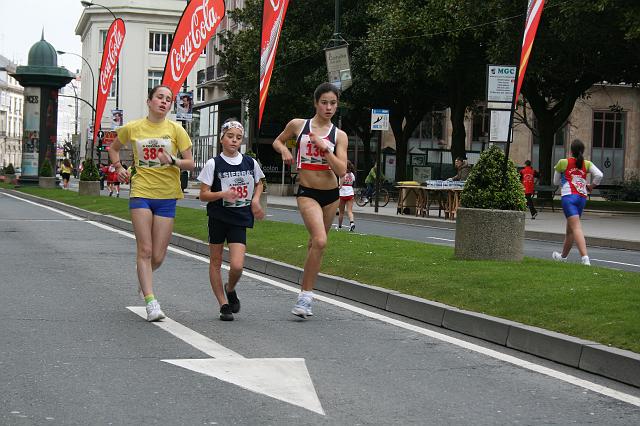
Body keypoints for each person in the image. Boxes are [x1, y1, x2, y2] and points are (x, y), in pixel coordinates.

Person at [108, 84, 195, 321]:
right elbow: (113, 148)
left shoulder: (177, 130)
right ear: (149, 101)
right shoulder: (133, 128)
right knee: (144, 249)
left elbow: (191, 163)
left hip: (167, 196)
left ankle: (143, 277)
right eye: (160, 97)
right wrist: (119, 168)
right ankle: (151, 301)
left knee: (158, 255)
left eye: (168, 99)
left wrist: (173, 160)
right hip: (141, 192)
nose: (164, 102)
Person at [272, 82, 348, 318]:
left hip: (331, 194)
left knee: (315, 245)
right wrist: (284, 151)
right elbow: (278, 140)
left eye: (333, 103)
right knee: (321, 241)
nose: (328, 107)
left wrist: (325, 149)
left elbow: (342, 170)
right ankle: (306, 297)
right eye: (324, 102)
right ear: (316, 103)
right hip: (307, 192)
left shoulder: (339, 135)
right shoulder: (299, 125)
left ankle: (304, 290)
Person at [197, 119, 265, 321]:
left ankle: (230, 287)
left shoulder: (249, 162)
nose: (234, 140)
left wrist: (255, 200)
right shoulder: (213, 164)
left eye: (238, 137)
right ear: (221, 139)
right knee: (216, 261)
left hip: (240, 217)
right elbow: (203, 195)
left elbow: (259, 183)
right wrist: (222, 194)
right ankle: (223, 304)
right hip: (218, 217)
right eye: (230, 136)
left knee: (237, 265)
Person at [552, 139, 603, 266]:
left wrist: (564, 179)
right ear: (583, 150)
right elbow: (599, 175)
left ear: (571, 150)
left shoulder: (563, 162)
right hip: (581, 198)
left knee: (576, 227)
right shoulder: (587, 164)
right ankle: (562, 257)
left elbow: (555, 182)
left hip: (569, 197)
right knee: (570, 230)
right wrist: (591, 186)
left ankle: (585, 258)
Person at [337, 160, 356, 231]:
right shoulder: (352, 175)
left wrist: (338, 187)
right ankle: (352, 223)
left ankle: (339, 226)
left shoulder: (342, 174)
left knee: (341, 212)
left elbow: (340, 185)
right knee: (350, 211)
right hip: (350, 193)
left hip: (342, 194)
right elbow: (352, 182)